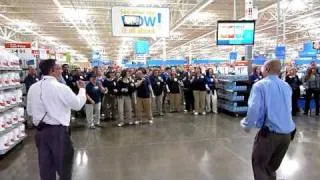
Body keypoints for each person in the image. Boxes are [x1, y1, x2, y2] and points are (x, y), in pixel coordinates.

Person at [27, 59, 86, 180]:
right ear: (51, 70)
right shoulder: (61, 88)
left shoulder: (33, 88)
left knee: (45, 167)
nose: (61, 71)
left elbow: (30, 111)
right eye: (58, 68)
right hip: (58, 132)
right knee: (64, 166)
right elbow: (77, 104)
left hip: (40, 133)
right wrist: (82, 90)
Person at [240, 60, 296, 180]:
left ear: (268, 69)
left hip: (269, 135)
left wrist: (247, 125)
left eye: (263, 68)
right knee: (270, 169)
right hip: (287, 136)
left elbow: (254, 109)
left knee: (260, 167)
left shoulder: (260, 85)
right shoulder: (286, 86)